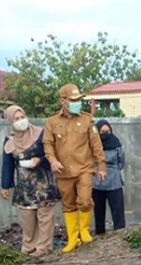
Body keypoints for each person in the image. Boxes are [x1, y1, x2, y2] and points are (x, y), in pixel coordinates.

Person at [43, 84, 106, 253]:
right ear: (63, 101)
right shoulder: (52, 122)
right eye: (73, 100)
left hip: (84, 168)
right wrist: (53, 160)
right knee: (68, 204)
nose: (77, 102)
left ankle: (84, 229)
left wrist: (101, 166)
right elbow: (47, 144)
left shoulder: (87, 120)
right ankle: (72, 238)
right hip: (63, 171)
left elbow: (96, 145)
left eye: (78, 99)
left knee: (85, 200)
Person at [0, 105, 61, 257]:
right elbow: (7, 164)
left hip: (43, 185)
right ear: (10, 122)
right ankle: (28, 248)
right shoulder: (10, 141)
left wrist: (39, 160)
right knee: (27, 220)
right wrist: (5, 185)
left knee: (45, 218)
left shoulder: (40, 134)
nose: (21, 121)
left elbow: (52, 155)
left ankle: (43, 248)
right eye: (16, 119)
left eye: (22, 117)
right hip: (24, 189)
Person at [92, 119, 126, 234]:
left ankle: (121, 235)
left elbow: (121, 161)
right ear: (97, 132)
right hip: (97, 183)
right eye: (102, 132)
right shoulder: (93, 145)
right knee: (98, 212)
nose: (106, 134)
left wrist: (112, 171)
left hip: (114, 183)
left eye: (108, 131)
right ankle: (99, 235)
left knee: (118, 213)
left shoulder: (116, 143)